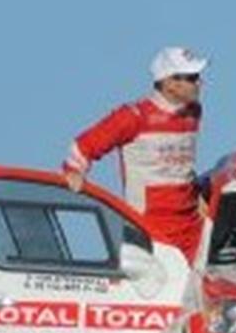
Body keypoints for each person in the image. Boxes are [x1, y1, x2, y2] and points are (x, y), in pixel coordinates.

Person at [64, 45, 208, 259]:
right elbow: (82, 146)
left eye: (198, 77)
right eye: (192, 77)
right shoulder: (133, 116)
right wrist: (74, 172)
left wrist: (200, 195)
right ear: (169, 83)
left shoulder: (194, 113)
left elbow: (182, 166)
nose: (199, 83)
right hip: (150, 228)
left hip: (191, 229)